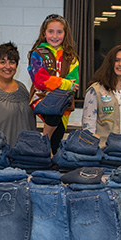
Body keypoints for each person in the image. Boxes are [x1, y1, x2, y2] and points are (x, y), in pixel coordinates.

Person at [28, 14, 80, 154]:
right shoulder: (37, 53)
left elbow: (74, 83)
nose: (55, 36)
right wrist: (64, 83)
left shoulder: (71, 56)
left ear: (65, 34)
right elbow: (40, 80)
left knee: (57, 141)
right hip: (41, 99)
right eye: (51, 31)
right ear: (44, 33)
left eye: (59, 32)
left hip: (64, 103)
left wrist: (59, 85)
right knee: (53, 113)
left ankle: (51, 165)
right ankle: (44, 140)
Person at [82, 45, 121, 147]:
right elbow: (88, 126)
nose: (120, 64)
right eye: (117, 60)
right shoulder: (95, 90)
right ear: (110, 62)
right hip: (104, 149)